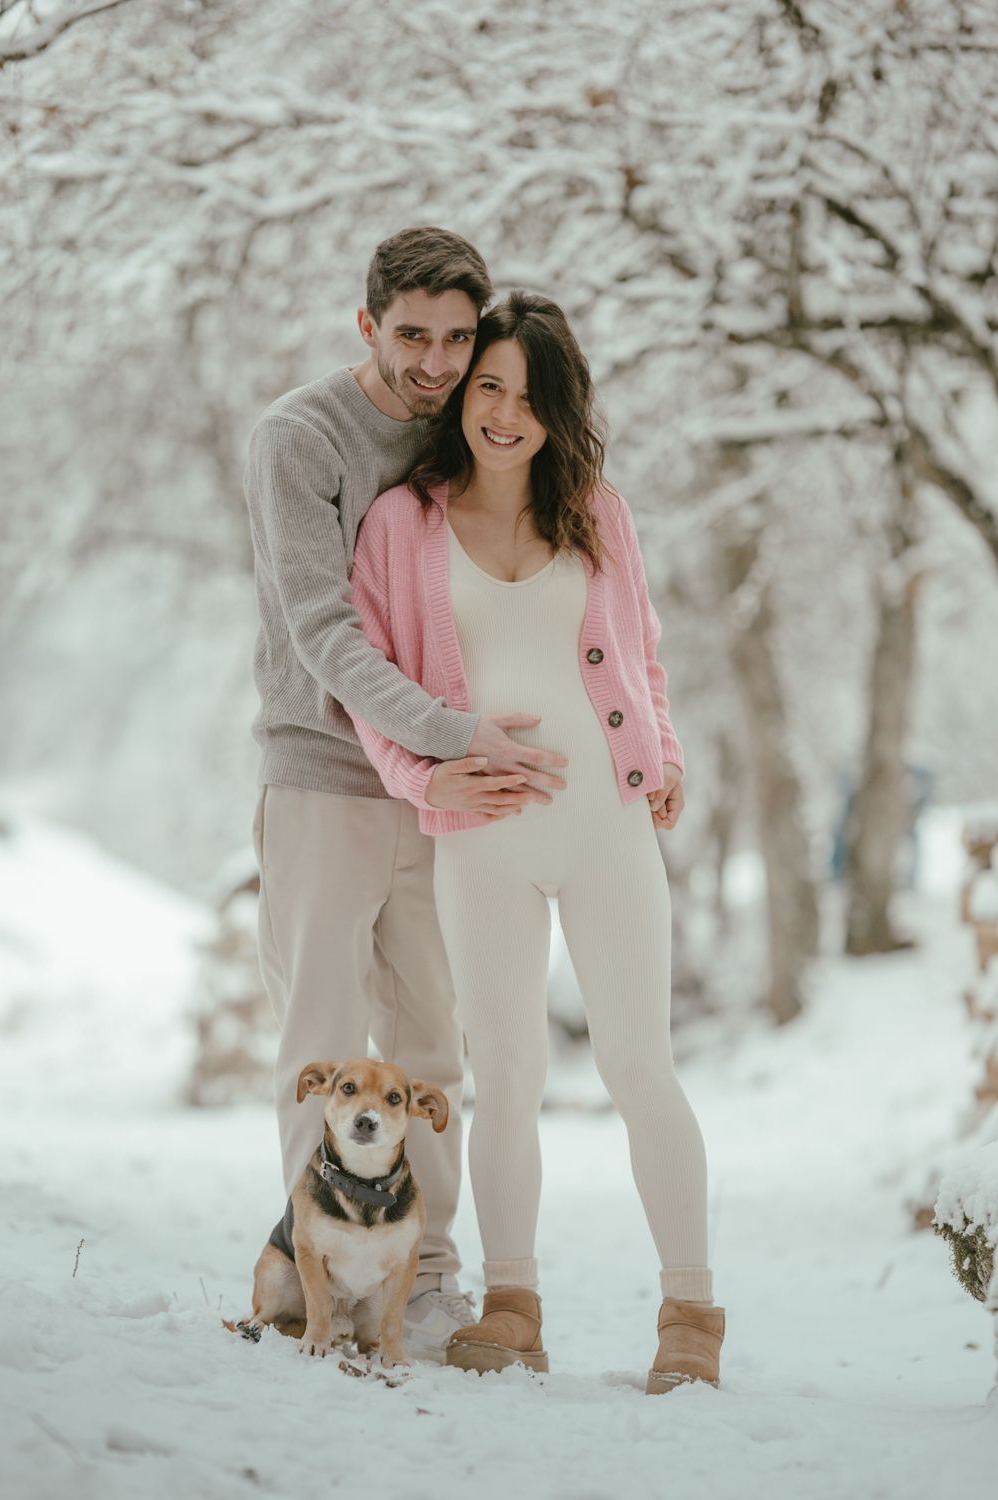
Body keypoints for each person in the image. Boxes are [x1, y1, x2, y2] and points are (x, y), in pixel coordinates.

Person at [346, 292, 725, 1391]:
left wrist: (664, 758)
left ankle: (690, 1310)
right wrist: (426, 774)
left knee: (636, 1065)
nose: (505, 413)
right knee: (501, 1071)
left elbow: (639, 654)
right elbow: (373, 690)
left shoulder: (598, 513)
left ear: (561, 410)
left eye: (529, 394)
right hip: (481, 836)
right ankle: (511, 1302)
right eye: (489, 388)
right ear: (463, 395)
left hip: (606, 825)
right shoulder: (401, 524)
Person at [243, 229, 570, 1362]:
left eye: (454, 338)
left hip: (444, 792)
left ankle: (426, 1278)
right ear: (366, 325)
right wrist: (442, 734)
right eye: (412, 336)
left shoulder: (465, 426)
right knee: (321, 1043)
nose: (435, 362)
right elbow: (322, 626)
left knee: (434, 1040)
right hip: (325, 779)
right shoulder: (300, 437)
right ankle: (314, 1273)